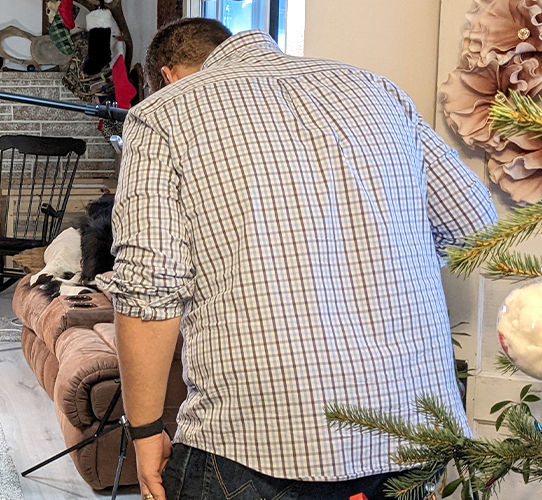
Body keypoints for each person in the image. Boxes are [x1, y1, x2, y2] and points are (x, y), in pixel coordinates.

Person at [97, 19, 498, 500]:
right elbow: (476, 224)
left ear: (167, 75)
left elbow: (149, 292)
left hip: (260, 441)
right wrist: (381, 255)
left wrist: (143, 433)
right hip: (412, 427)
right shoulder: (375, 89)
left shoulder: (163, 114)